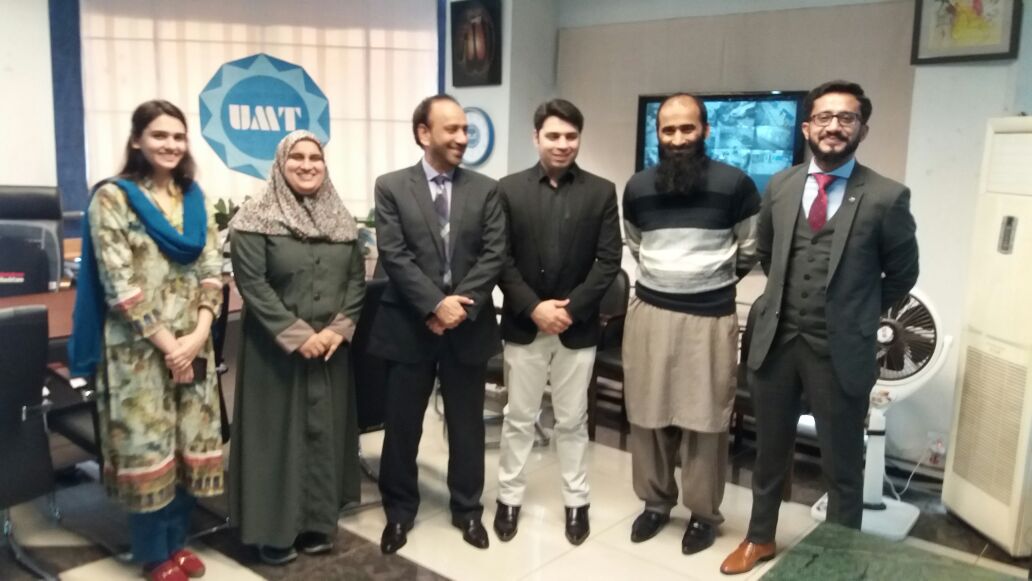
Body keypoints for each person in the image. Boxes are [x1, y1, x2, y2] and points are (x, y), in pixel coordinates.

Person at [720, 80, 919, 575]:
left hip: (840, 349)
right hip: (776, 342)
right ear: (807, 127)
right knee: (769, 452)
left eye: (846, 118)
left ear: (862, 129)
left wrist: (856, 311)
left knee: (842, 465)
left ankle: (837, 557)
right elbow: (768, 254)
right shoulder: (781, 186)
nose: (834, 126)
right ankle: (759, 537)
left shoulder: (887, 196)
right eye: (824, 117)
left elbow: (903, 274)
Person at [69, 100, 224, 581]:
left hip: (194, 344)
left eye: (178, 136)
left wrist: (198, 333)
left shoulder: (193, 197)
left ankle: (178, 542)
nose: (170, 145)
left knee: (187, 446)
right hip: (137, 351)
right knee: (149, 449)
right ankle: (154, 554)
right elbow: (120, 284)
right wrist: (169, 345)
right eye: (159, 135)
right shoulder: (112, 199)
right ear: (137, 140)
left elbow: (212, 269)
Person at [622, 93, 760, 556]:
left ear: (705, 130)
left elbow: (749, 248)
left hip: (710, 317)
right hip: (650, 313)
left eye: (687, 128)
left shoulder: (736, 184)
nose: (678, 138)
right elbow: (636, 244)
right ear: (658, 134)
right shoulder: (638, 187)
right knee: (647, 414)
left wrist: (705, 281)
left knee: (705, 420)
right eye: (669, 130)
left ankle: (703, 514)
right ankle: (655, 503)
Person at [371, 94, 505, 554]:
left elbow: (494, 255)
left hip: (467, 327)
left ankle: (468, 510)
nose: (463, 138)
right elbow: (394, 254)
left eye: (465, 129)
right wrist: (433, 305)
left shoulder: (486, 189)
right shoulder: (391, 186)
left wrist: (457, 309)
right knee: (402, 427)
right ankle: (399, 511)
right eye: (452, 129)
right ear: (423, 133)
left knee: (467, 427)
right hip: (409, 326)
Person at [228, 131, 366, 565]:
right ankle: (273, 531)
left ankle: (317, 523)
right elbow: (253, 284)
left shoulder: (341, 221)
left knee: (324, 434)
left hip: (330, 351)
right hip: (275, 353)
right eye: (297, 158)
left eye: (315, 158)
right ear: (279, 164)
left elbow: (356, 281)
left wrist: (338, 329)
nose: (307, 165)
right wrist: (297, 334)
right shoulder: (254, 219)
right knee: (275, 441)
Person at [493, 98, 621, 545]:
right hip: (524, 325)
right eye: (553, 135)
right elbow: (500, 259)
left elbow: (609, 260)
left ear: (579, 138)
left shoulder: (601, 191)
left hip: (577, 328)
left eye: (570, 136)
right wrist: (534, 307)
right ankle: (508, 498)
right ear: (536, 138)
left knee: (572, 421)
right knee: (518, 417)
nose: (562, 144)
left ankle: (576, 502)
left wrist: (570, 309)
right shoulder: (508, 190)